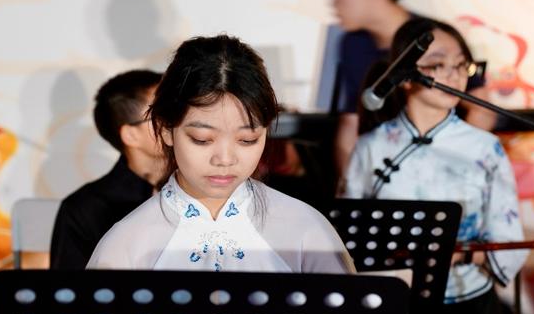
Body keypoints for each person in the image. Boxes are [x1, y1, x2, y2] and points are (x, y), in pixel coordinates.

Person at [342, 17, 528, 314]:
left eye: (461, 64)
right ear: (404, 76)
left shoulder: (484, 148)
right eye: (439, 64)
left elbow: (508, 237)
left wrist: (462, 253)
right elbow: (345, 235)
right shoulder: (372, 147)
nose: (454, 75)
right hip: (393, 311)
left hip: (467, 307)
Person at [88, 35, 354, 274]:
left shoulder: (306, 229)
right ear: (166, 129)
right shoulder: (127, 243)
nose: (225, 159)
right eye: (202, 140)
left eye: (247, 140)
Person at [49, 69, 167, 269]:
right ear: (131, 135)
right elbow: (68, 286)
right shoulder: (85, 209)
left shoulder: (207, 190)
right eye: (164, 113)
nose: (180, 120)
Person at [325, 0, 412, 178]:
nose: (334, 2)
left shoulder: (431, 37)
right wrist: (350, 189)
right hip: (378, 173)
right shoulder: (352, 44)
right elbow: (351, 122)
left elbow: (481, 108)